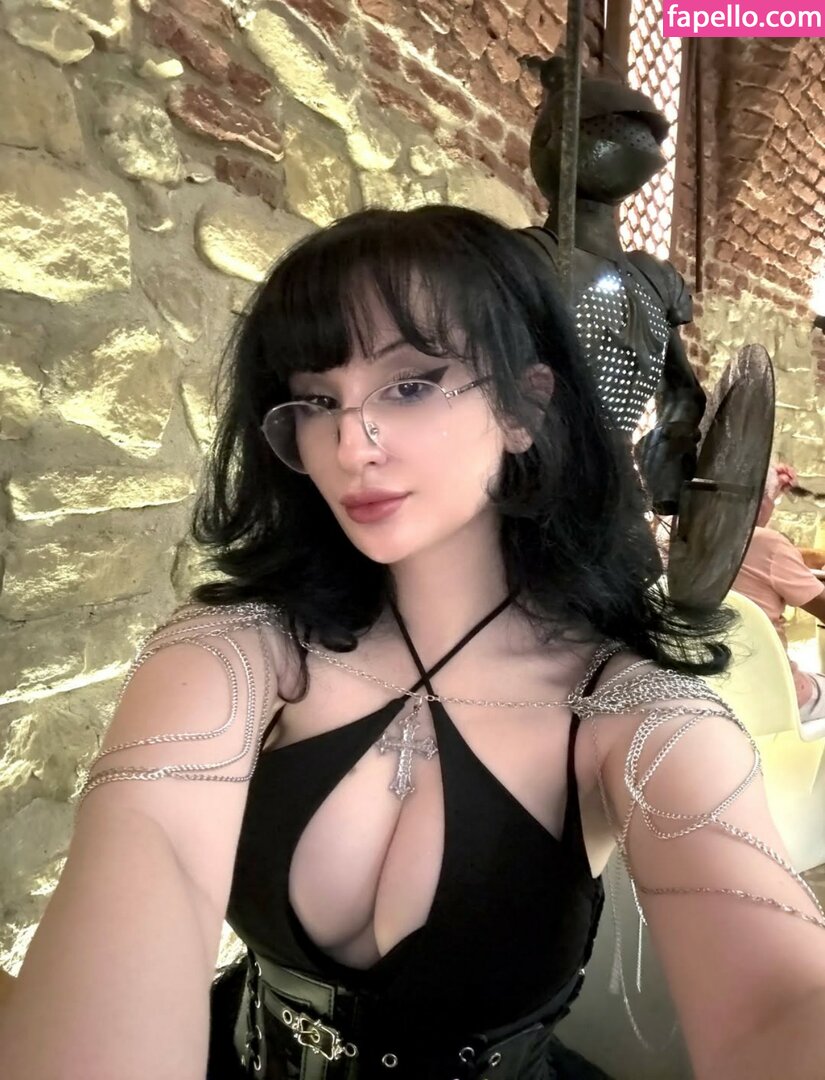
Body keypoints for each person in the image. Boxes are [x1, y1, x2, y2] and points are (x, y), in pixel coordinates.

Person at [2, 206, 825, 1080]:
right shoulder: (233, 657)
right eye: (317, 400)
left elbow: (775, 1007)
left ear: (524, 405)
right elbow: (136, 884)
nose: (351, 444)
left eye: (408, 386)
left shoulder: (634, 714)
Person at [734, 463, 825, 725]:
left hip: (707, 687)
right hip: (772, 695)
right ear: (758, 499)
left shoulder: (671, 531)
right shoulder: (767, 544)